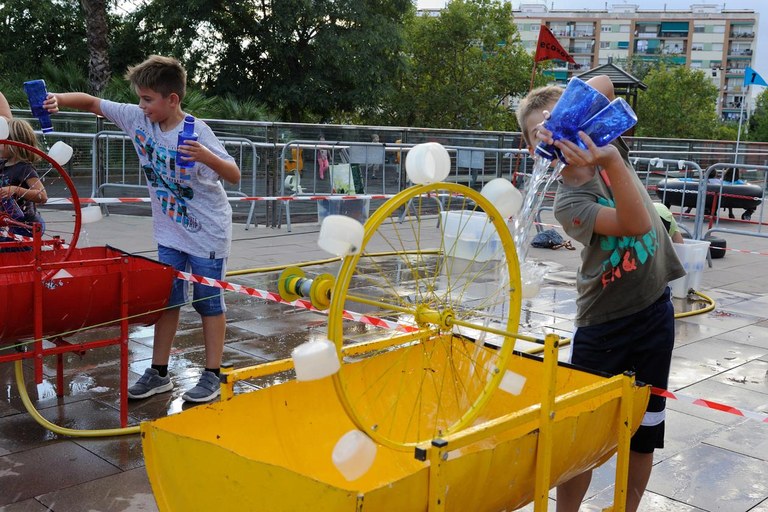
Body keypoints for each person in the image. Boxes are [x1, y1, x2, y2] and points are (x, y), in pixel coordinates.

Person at [517, 75, 685, 512]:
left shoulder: (607, 145)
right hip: (602, 322)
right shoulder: (567, 202)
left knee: (645, 432)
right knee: (581, 435)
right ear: (532, 147)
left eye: (556, 124)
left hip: (654, 315)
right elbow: (635, 223)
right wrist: (607, 160)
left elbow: (605, 82)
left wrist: (576, 118)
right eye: (541, 133)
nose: (553, 136)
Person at [45, 55, 241, 403]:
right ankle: (159, 372)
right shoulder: (138, 119)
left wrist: (205, 156)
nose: (142, 105)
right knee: (167, 300)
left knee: (209, 302)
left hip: (207, 233)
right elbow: (92, 103)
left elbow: (233, 174)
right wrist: (58, 100)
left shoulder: (195, 132)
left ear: (172, 99)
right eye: (139, 98)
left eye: (148, 99)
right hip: (170, 233)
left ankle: (213, 374)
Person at [1, 118, 48, 243]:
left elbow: (42, 196)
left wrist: (16, 190)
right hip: (6, 223)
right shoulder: (2, 164)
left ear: (13, 144)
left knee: (16, 258)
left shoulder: (24, 168)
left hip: (24, 226)